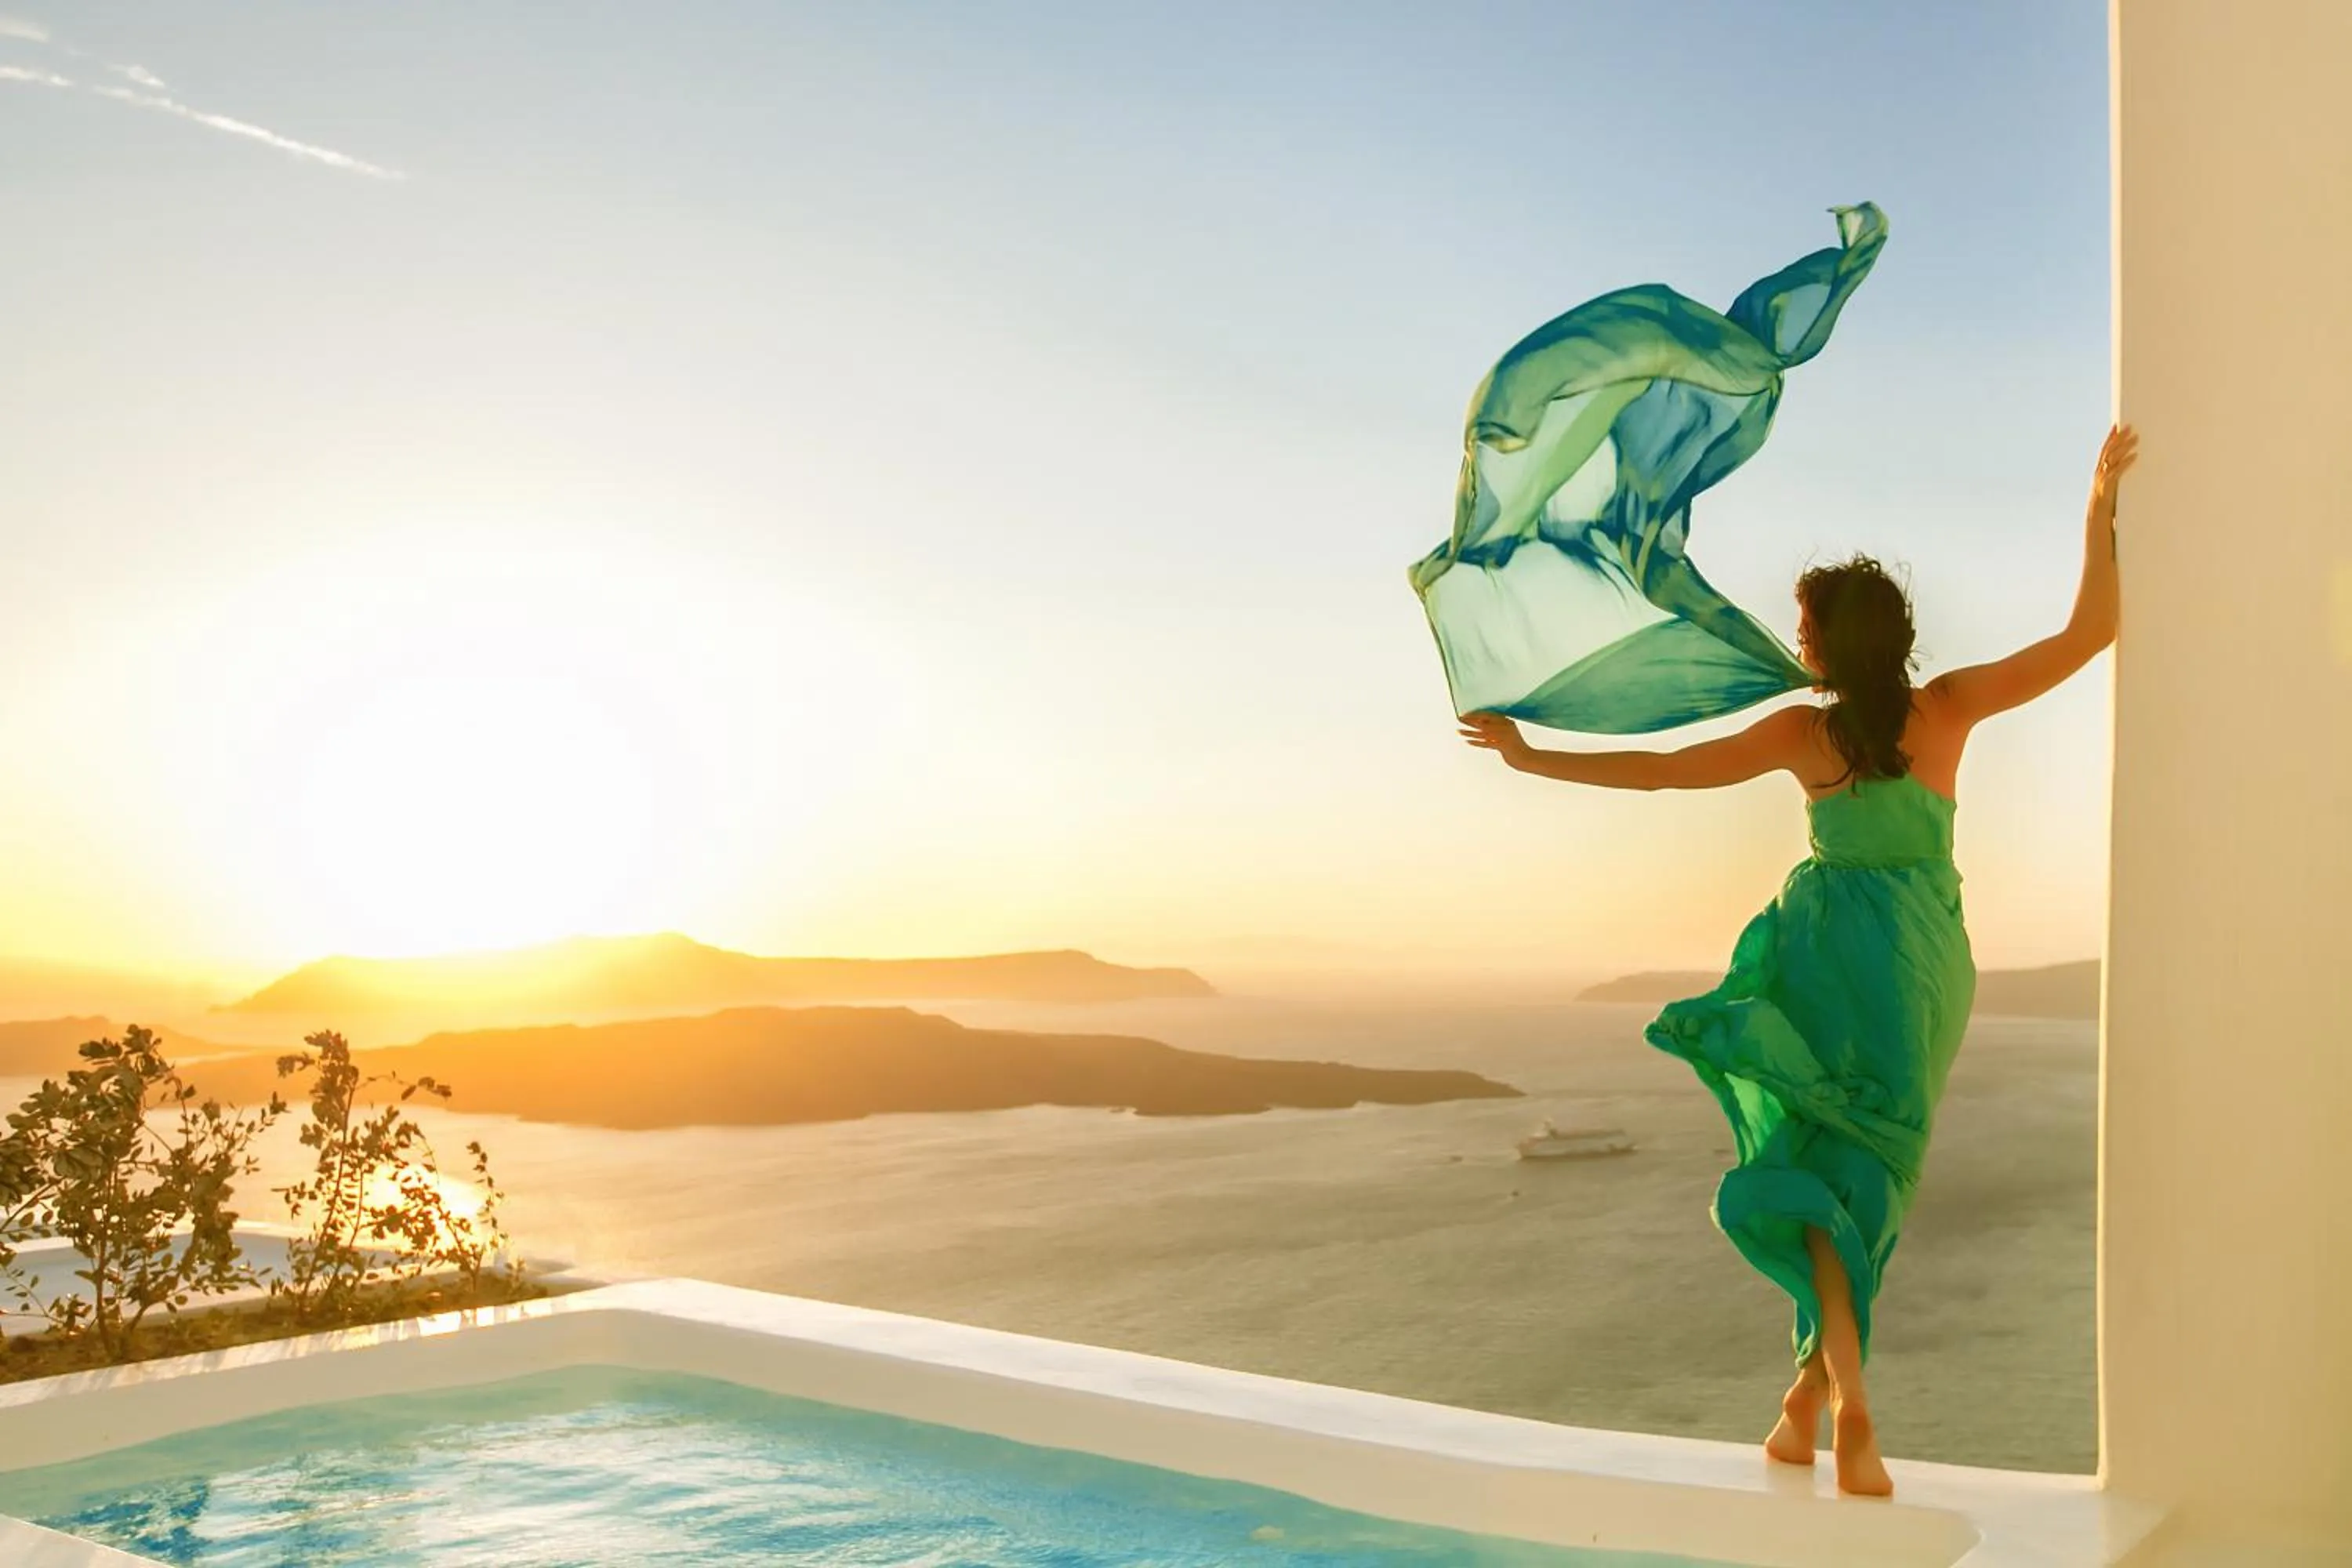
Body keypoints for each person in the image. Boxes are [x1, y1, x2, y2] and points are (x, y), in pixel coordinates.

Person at [1458, 423, 2137, 1497]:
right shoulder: (1949, 709)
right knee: (1869, 1178)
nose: (1796, 640)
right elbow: (2095, 628)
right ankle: (1816, 1409)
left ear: (1826, 645)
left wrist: (1533, 756)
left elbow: (1666, 776)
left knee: (1819, 1174)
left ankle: (1835, 1405)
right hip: (1920, 969)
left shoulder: (1798, 736)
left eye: (1803, 625)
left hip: (1823, 959)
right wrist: (2099, 509)